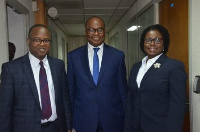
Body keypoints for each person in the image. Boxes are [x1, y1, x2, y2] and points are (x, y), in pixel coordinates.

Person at [0, 24, 72, 132]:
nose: (42, 44)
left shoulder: (58, 65)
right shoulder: (11, 69)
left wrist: (68, 126)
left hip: (56, 127)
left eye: (46, 40)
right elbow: (4, 109)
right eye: (37, 40)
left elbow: (65, 99)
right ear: (28, 41)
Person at [67, 16, 127, 132]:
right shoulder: (73, 57)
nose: (96, 33)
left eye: (100, 30)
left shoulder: (117, 56)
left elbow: (122, 90)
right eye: (91, 30)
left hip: (112, 119)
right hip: (83, 119)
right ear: (85, 32)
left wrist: (127, 120)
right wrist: (69, 123)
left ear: (104, 31)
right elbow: (71, 91)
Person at [124, 24, 187, 132]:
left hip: (160, 127)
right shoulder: (136, 67)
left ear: (164, 43)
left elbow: (177, 106)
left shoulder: (174, 67)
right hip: (135, 127)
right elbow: (131, 100)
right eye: (148, 40)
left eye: (157, 40)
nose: (152, 43)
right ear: (143, 43)